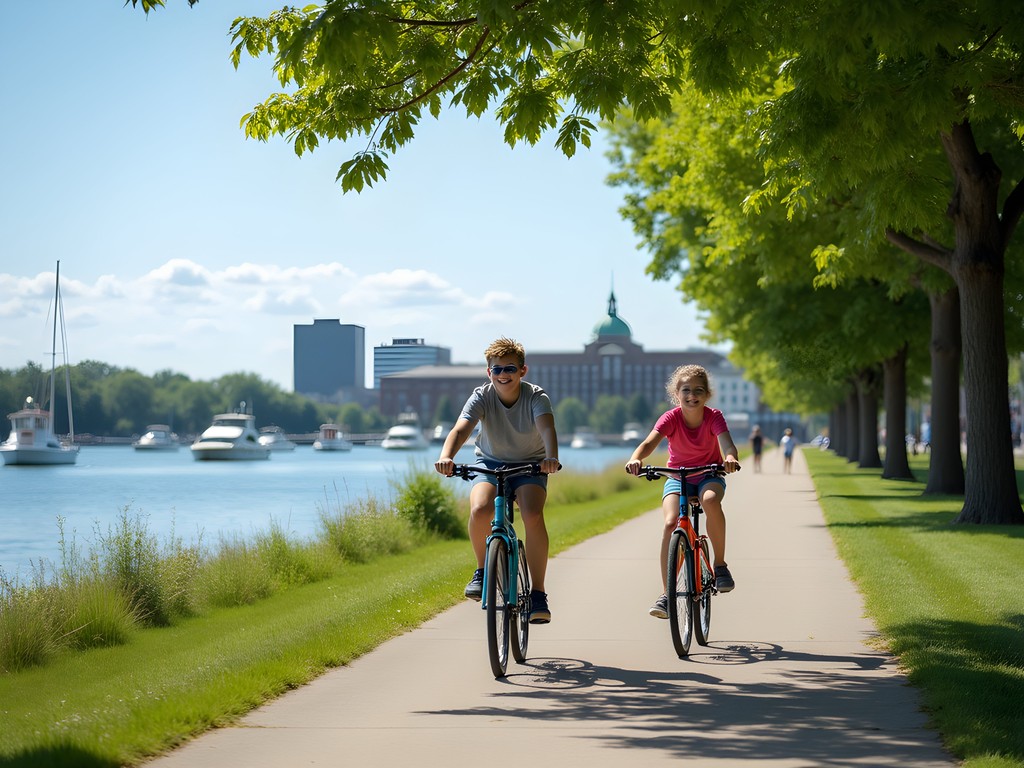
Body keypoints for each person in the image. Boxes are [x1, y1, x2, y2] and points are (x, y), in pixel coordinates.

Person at [434, 337, 561, 624]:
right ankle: (482, 571)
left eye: (510, 369)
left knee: (531, 514)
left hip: (531, 464)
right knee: (480, 509)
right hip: (489, 463)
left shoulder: (536, 396)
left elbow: (547, 428)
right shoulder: (482, 395)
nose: (503, 375)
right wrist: (447, 456)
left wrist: (551, 457)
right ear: (488, 372)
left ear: (523, 371)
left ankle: (538, 594)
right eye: (497, 369)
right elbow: (461, 428)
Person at [625, 364, 741, 618]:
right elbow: (648, 443)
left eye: (698, 390)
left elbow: (727, 445)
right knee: (670, 524)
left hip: (709, 474)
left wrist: (730, 458)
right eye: (686, 390)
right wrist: (636, 459)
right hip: (677, 477)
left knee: (710, 500)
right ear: (676, 393)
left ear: (707, 394)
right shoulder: (670, 418)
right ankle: (667, 593)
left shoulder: (714, 417)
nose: (692, 395)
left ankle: (720, 565)